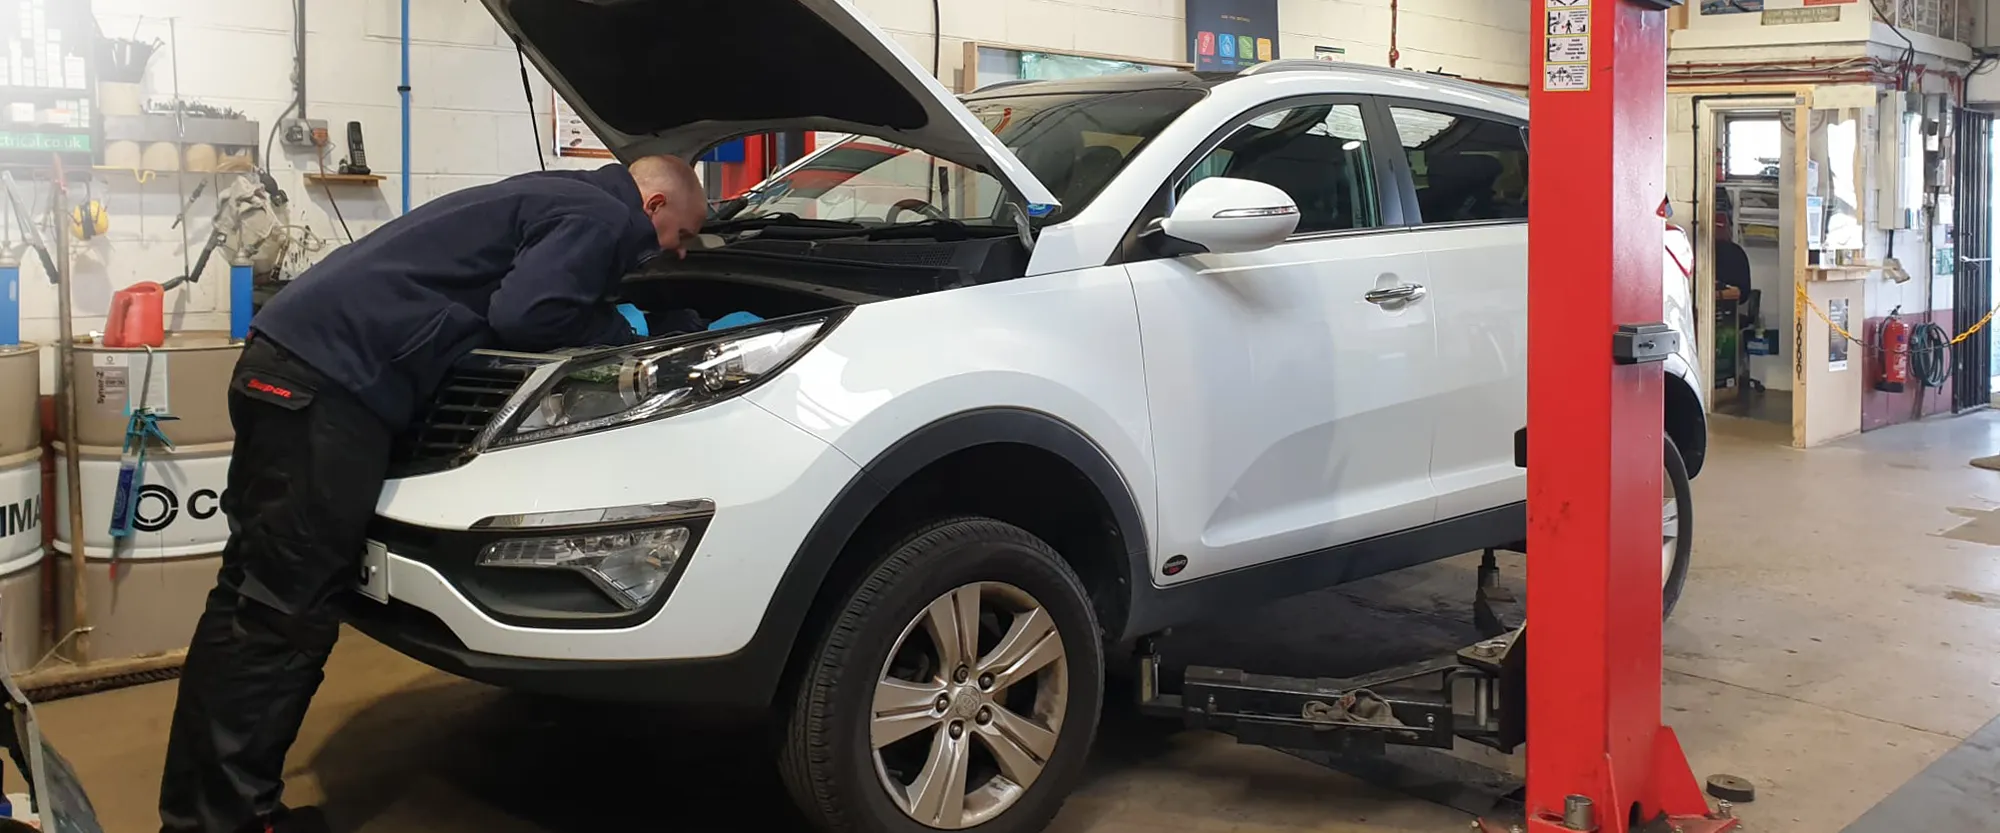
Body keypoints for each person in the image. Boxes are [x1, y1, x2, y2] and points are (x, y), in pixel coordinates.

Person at [156, 155, 709, 833]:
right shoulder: (602, 215)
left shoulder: (548, 193)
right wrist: (631, 336)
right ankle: (232, 821)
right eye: (681, 235)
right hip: (329, 385)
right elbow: (531, 312)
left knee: (248, 597)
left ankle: (200, 815)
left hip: (286, 362)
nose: (678, 252)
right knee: (284, 614)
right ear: (653, 205)